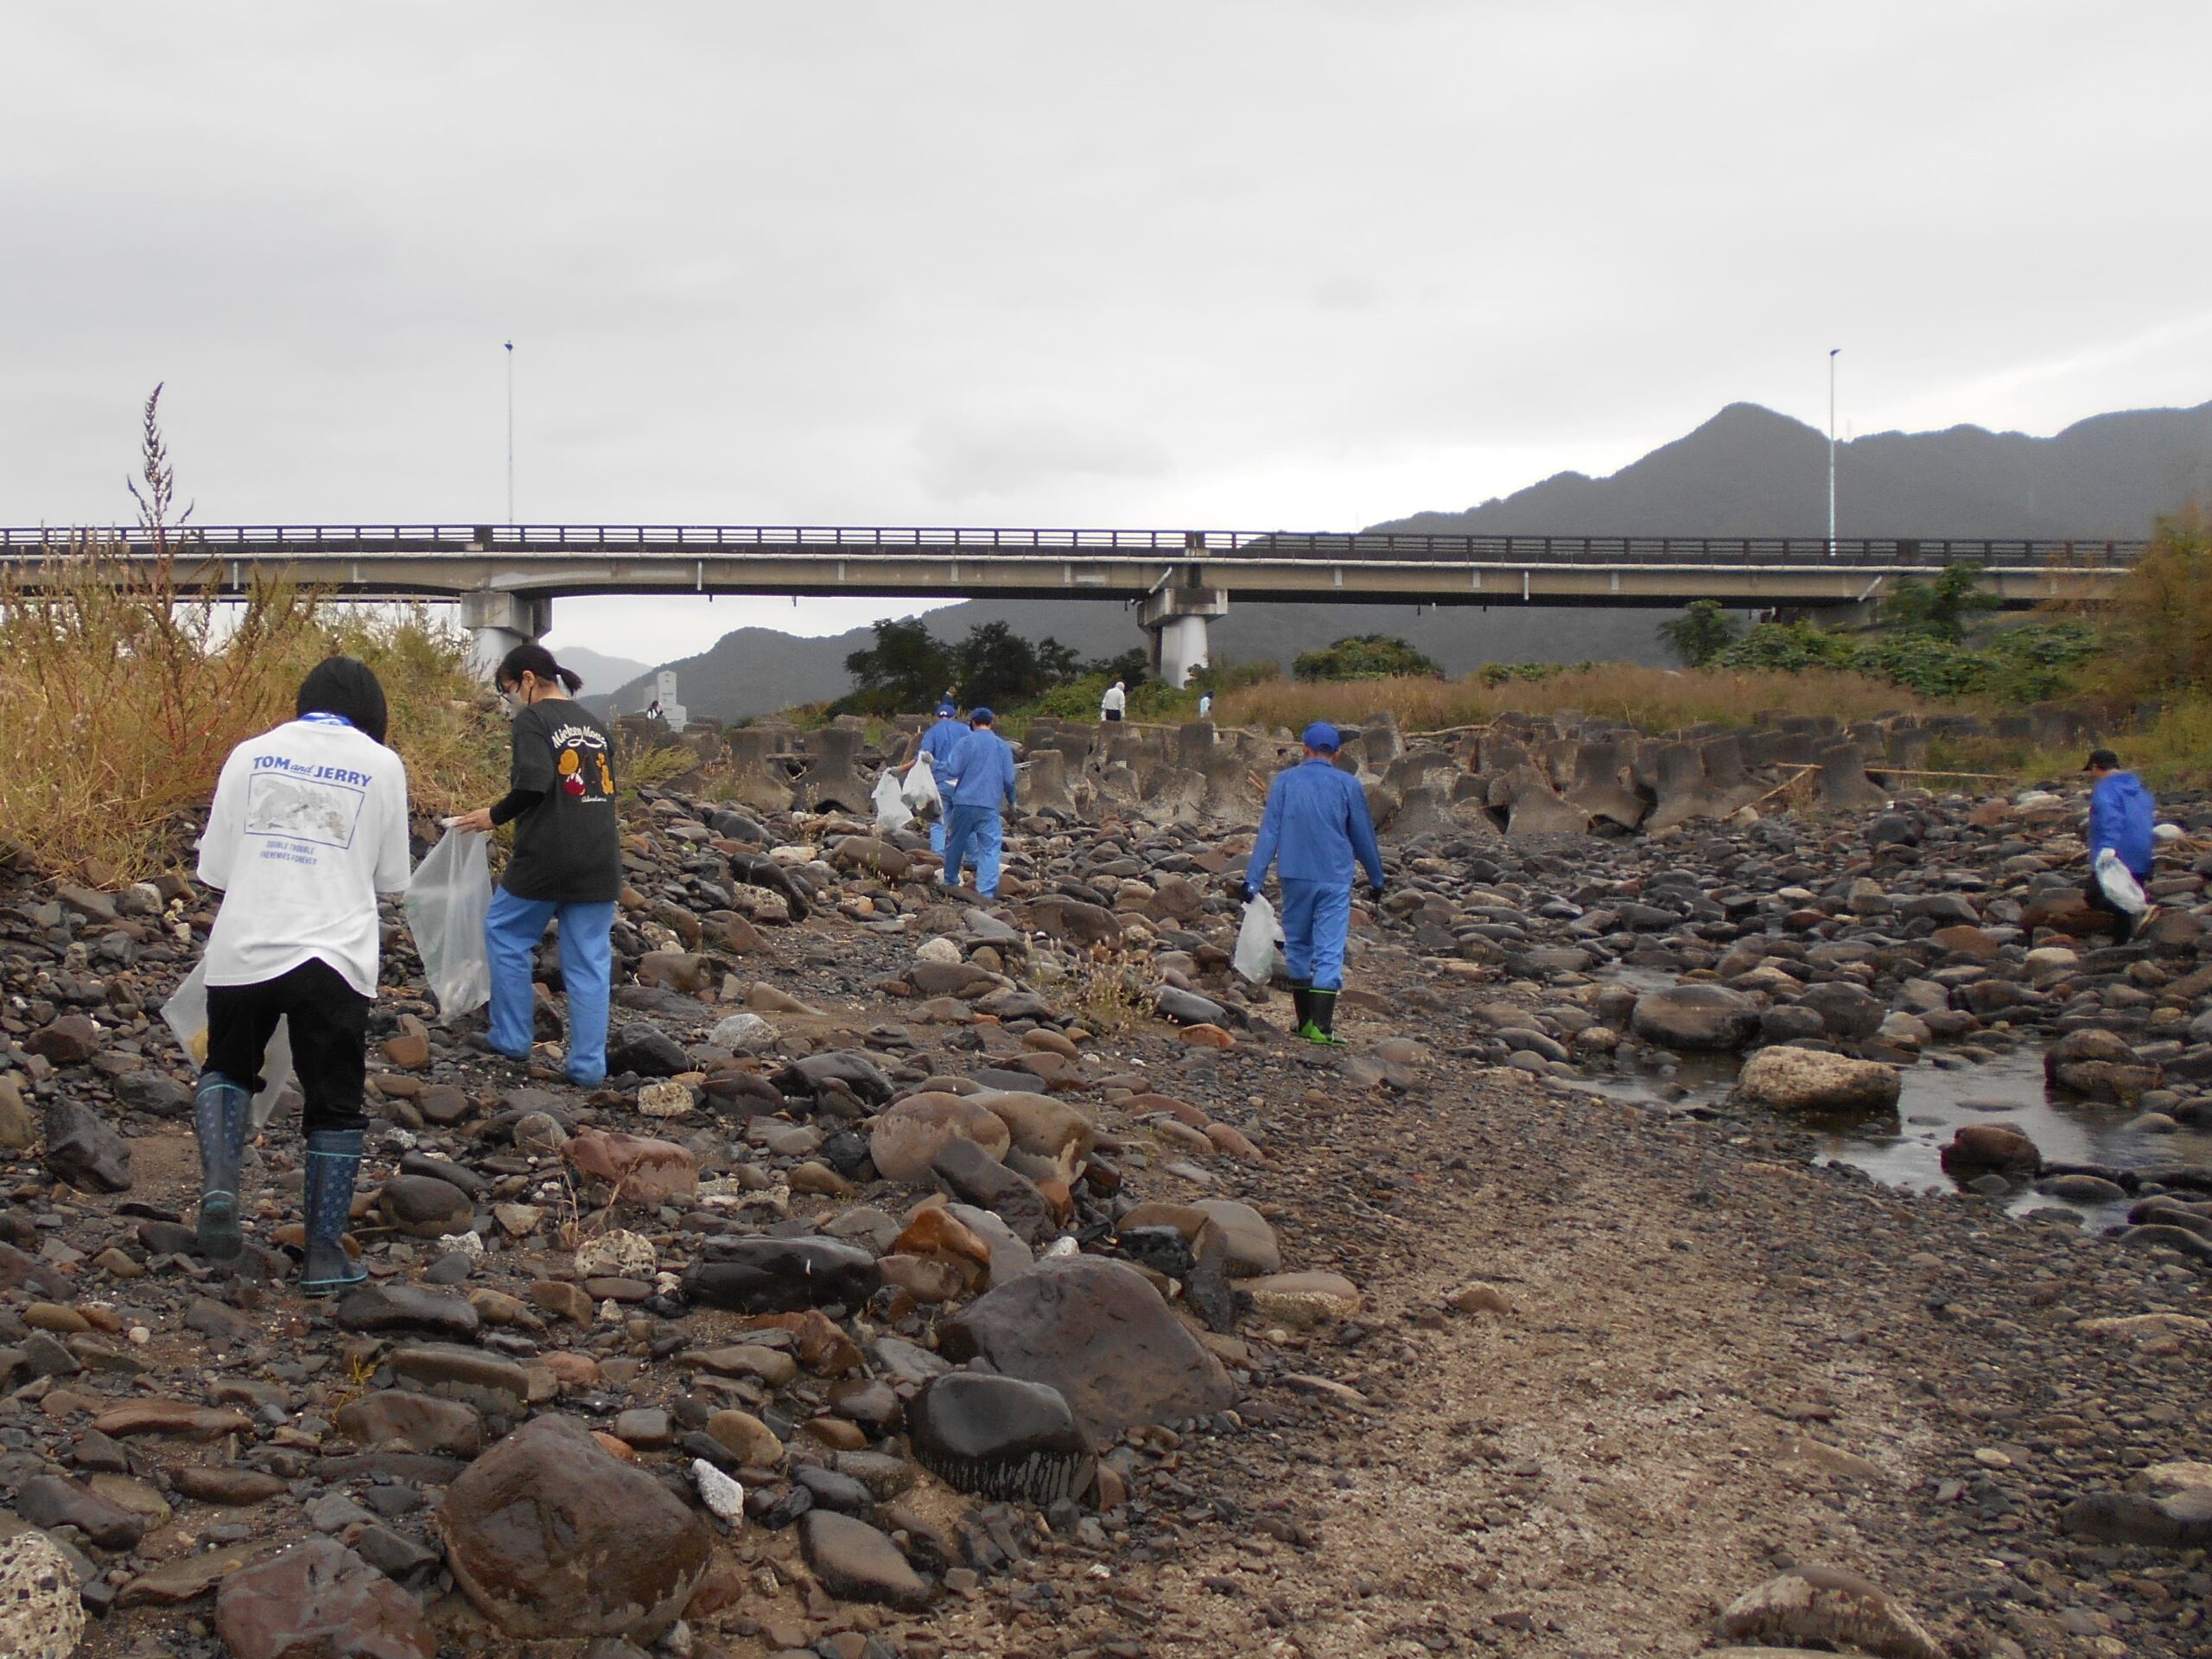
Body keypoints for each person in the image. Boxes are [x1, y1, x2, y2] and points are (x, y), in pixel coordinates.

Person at [194, 657, 410, 1291]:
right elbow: (392, 879)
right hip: (333, 956)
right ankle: (321, 1256)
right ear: (372, 713)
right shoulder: (381, 765)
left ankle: (220, 1189)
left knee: (228, 1068)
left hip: (244, 945)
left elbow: (217, 871)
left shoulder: (249, 753)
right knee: (334, 1104)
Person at [448, 644, 621, 1087]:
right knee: (589, 961)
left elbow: (535, 783)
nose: (510, 701)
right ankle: (587, 1067)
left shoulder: (533, 719)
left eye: (508, 690)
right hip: (600, 858)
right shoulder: (595, 724)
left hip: (546, 856)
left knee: (505, 933)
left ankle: (512, 1037)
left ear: (527, 680)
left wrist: (493, 815)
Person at [1242, 721, 1384, 1046]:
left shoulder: (1284, 782)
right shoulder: (1348, 785)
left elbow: (1269, 832)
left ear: (1304, 749)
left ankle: (1304, 1022)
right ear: (1337, 753)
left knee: (1298, 945)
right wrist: (1376, 878)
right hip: (1334, 876)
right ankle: (1322, 1027)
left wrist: (1253, 881)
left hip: (1294, 874)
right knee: (1330, 949)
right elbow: (1362, 835)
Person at [938, 707, 1018, 898]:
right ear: (992, 723)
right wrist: (1012, 801)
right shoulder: (1002, 746)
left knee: (955, 843)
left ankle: (950, 881)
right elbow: (1009, 779)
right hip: (990, 804)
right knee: (990, 847)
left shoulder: (965, 742)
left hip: (964, 802)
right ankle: (986, 892)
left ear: (972, 722)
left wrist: (933, 764)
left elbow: (952, 770)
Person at [2083, 747, 2156, 944]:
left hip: (2117, 852)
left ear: (2097, 767)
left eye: (2092, 770)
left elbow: (2111, 817)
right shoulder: (2139, 788)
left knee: (2096, 894)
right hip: (2141, 850)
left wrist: (2108, 846)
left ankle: (2142, 910)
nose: (2093, 775)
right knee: (2126, 893)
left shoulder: (2106, 788)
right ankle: (2123, 943)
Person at [911, 700, 965, 856]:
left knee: (939, 820)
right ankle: (969, 857)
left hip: (941, 782)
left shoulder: (932, 732)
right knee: (964, 821)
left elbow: (923, 756)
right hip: (963, 783)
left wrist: (902, 770)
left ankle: (938, 855)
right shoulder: (965, 730)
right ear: (954, 716)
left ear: (937, 717)